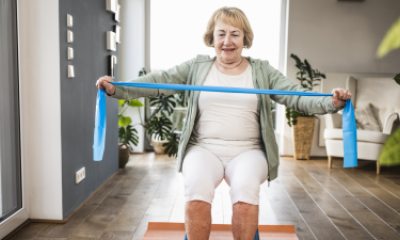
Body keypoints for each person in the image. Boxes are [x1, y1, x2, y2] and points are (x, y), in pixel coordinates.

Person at [96, 6, 351, 240]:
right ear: (212, 38)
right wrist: (116, 89)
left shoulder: (262, 71)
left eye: (235, 34)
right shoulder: (197, 67)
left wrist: (332, 103)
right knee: (196, 191)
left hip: (249, 150)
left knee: (245, 194)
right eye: (221, 34)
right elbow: (158, 82)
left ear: (245, 39)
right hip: (204, 148)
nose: (227, 41)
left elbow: (296, 96)